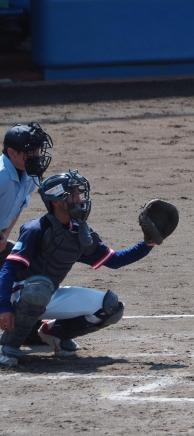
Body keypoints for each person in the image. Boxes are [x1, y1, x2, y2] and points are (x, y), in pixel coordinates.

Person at [0, 170, 159, 367]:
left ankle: (54, 333)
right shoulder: (37, 229)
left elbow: (114, 260)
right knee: (38, 290)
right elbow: (8, 270)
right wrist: (4, 307)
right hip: (17, 295)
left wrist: (147, 244)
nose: (79, 199)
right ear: (56, 200)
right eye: (73, 194)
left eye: (79, 194)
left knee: (110, 307)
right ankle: (10, 347)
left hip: (48, 294)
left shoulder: (79, 232)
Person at [0, 122, 53, 263]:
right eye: (30, 152)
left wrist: (5, 234)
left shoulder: (30, 175)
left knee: (25, 264)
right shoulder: (1, 176)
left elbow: (17, 208)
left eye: (37, 150)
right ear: (12, 153)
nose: (37, 156)